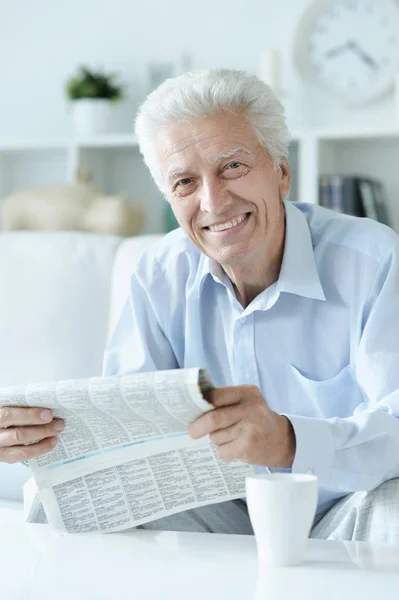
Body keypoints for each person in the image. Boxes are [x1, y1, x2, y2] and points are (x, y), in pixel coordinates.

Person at [2, 69, 398, 543]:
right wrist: (41, 443)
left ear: (282, 171)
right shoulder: (160, 273)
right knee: (48, 501)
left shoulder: (374, 260)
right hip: (218, 518)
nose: (214, 202)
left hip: (346, 514)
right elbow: (127, 427)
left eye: (232, 167)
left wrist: (290, 441)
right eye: (186, 182)